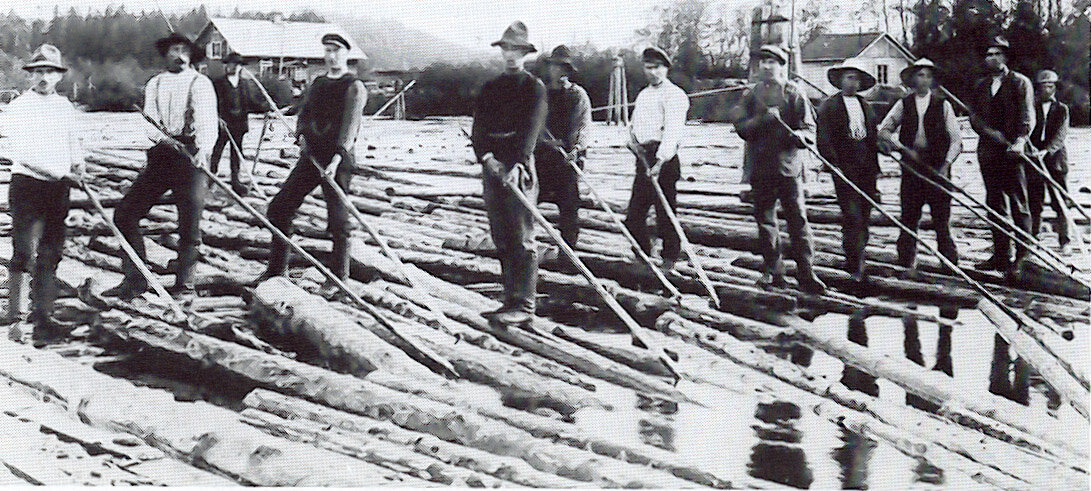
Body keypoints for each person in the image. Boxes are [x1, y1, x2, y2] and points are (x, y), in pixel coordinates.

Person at [103, 33, 216, 299]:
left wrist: (203, 150)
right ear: (165, 54)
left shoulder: (200, 83)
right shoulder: (155, 83)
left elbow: (207, 121)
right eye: (174, 50)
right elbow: (149, 122)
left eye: (184, 50)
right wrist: (163, 139)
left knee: (189, 223)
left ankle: (184, 286)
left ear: (191, 55)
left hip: (191, 158)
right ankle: (135, 278)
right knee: (125, 214)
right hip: (161, 156)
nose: (179, 55)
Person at [257, 33, 367, 290]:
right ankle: (276, 269)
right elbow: (304, 113)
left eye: (336, 51)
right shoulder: (317, 83)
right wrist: (302, 135)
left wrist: (337, 157)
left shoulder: (354, 86)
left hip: (338, 161)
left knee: (338, 221)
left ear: (346, 54)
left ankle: (338, 279)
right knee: (279, 207)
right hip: (311, 156)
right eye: (327, 50)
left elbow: (350, 126)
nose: (331, 56)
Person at [0, 44, 84, 344]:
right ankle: (17, 320)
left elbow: (73, 140)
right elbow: (22, 153)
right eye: (38, 72)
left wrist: (78, 164)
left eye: (49, 71)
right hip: (28, 185)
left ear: (59, 76)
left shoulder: (64, 106)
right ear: (31, 76)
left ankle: (44, 316)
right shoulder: (20, 106)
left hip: (58, 189)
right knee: (24, 250)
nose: (44, 77)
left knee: (51, 252)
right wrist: (62, 172)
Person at [731, 45, 825, 295]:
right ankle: (774, 272)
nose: (766, 66)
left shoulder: (794, 93)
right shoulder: (750, 94)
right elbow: (740, 127)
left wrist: (802, 137)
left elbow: (808, 128)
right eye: (763, 62)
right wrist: (763, 119)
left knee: (798, 221)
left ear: (782, 65)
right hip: (760, 169)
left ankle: (807, 272)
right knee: (766, 222)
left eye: (772, 62)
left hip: (788, 169)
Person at [471, 21, 547, 326]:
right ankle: (509, 300)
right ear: (501, 51)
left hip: (519, 167)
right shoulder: (490, 87)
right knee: (501, 235)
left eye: (517, 49)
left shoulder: (534, 87)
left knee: (522, 236)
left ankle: (525, 304)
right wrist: (488, 159)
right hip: (493, 165)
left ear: (525, 53)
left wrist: (516, 164)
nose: (511, 55)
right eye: (507, 48)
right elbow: (479, 128)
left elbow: (531, 129)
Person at [877, 58, 963, 278]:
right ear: (913, 79)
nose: (923, 80)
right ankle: (906, 265)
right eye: (919, 75)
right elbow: (884, 130)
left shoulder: (943, 105)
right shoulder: (903, 104)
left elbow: (956, 140)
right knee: (909, 218)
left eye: (927, 75)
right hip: (912, 168)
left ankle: (950, 267)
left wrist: (946, 164)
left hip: (937, 169)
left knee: (941, 221)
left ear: (933, 80)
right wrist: (903, 149)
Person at [969, 36, 1036, 278]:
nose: (992, 58)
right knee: (994, 203)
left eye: (997, 54)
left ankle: (1023, 256)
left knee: (1018, 203)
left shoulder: (1020, 83)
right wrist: (989, 132)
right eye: (988, 54)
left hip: (1013, 151)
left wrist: (1020, 141)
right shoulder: (981, 85)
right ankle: (1000, 255)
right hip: (988, 151)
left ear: (1006, 57)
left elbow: (1028, 116)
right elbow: (974, 117)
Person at [624, 46, 689, 272]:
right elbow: (634, 125)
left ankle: (670, 260)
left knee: (666, 213)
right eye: (648, 67)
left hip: (665, 159)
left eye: (657, 68)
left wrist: (660, 162)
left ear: (666, 69)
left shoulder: (675, 95)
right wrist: (632, 141)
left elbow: (673, 132)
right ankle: (642, 255)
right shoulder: (644, 95)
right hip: (643, 158)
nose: (652, 72)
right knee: (634, 215)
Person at [816, 59, 880, 285]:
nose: (853, 82)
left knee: (864, 214)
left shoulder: (866, 106)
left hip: (866, 168)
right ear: (841, 81)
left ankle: (860, 257)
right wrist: (833, 164)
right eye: (849, 77)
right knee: (851, 215)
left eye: (857, 78)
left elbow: (872, 137)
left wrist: (880, 158)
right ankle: (854, 263)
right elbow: (823, 139)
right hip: (844, 168)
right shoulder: (829, 106)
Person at [535, 45, 591, 247]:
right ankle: (522, 248)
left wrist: (576, 149)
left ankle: (567, 254)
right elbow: (530, 124)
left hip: (567, 159)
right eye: (556, 67)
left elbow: (583, 126)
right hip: (541, 159)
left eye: (564, 68)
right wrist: (545, 140)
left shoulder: (577, 95)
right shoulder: (539, 93)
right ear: (550, 68)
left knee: (569, 209)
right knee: (528, 203)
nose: (559, 72)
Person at [210, 52, 270, 196]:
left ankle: (236, 182)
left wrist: (266, 107)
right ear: (226, 66)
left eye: (236, 65)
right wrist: (217, 118)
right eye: (230, 64)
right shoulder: (217, 83)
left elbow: (251, 102)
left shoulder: (244, 84)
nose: (233, 67)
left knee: (236, 154)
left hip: (239, 124)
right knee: (217, 151)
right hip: (223, 124)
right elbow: (211, 104)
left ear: (240, 67)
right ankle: (210, 179)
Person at [1028, 69, 1071, 253]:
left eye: (1051, 86)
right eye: (1044, 85)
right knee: (1034, 201)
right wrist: (1032, 149)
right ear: (1038, 88)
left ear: (1055, 87)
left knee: (1060, 201)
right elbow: (1026, 128)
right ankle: (1033, 238)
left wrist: (1047, 151)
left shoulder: (1062, 109)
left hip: (1055, 161)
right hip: (1034, 160)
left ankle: (1065, 240)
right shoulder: (1031, 107)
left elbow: (1060, 136)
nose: (1047, 89)